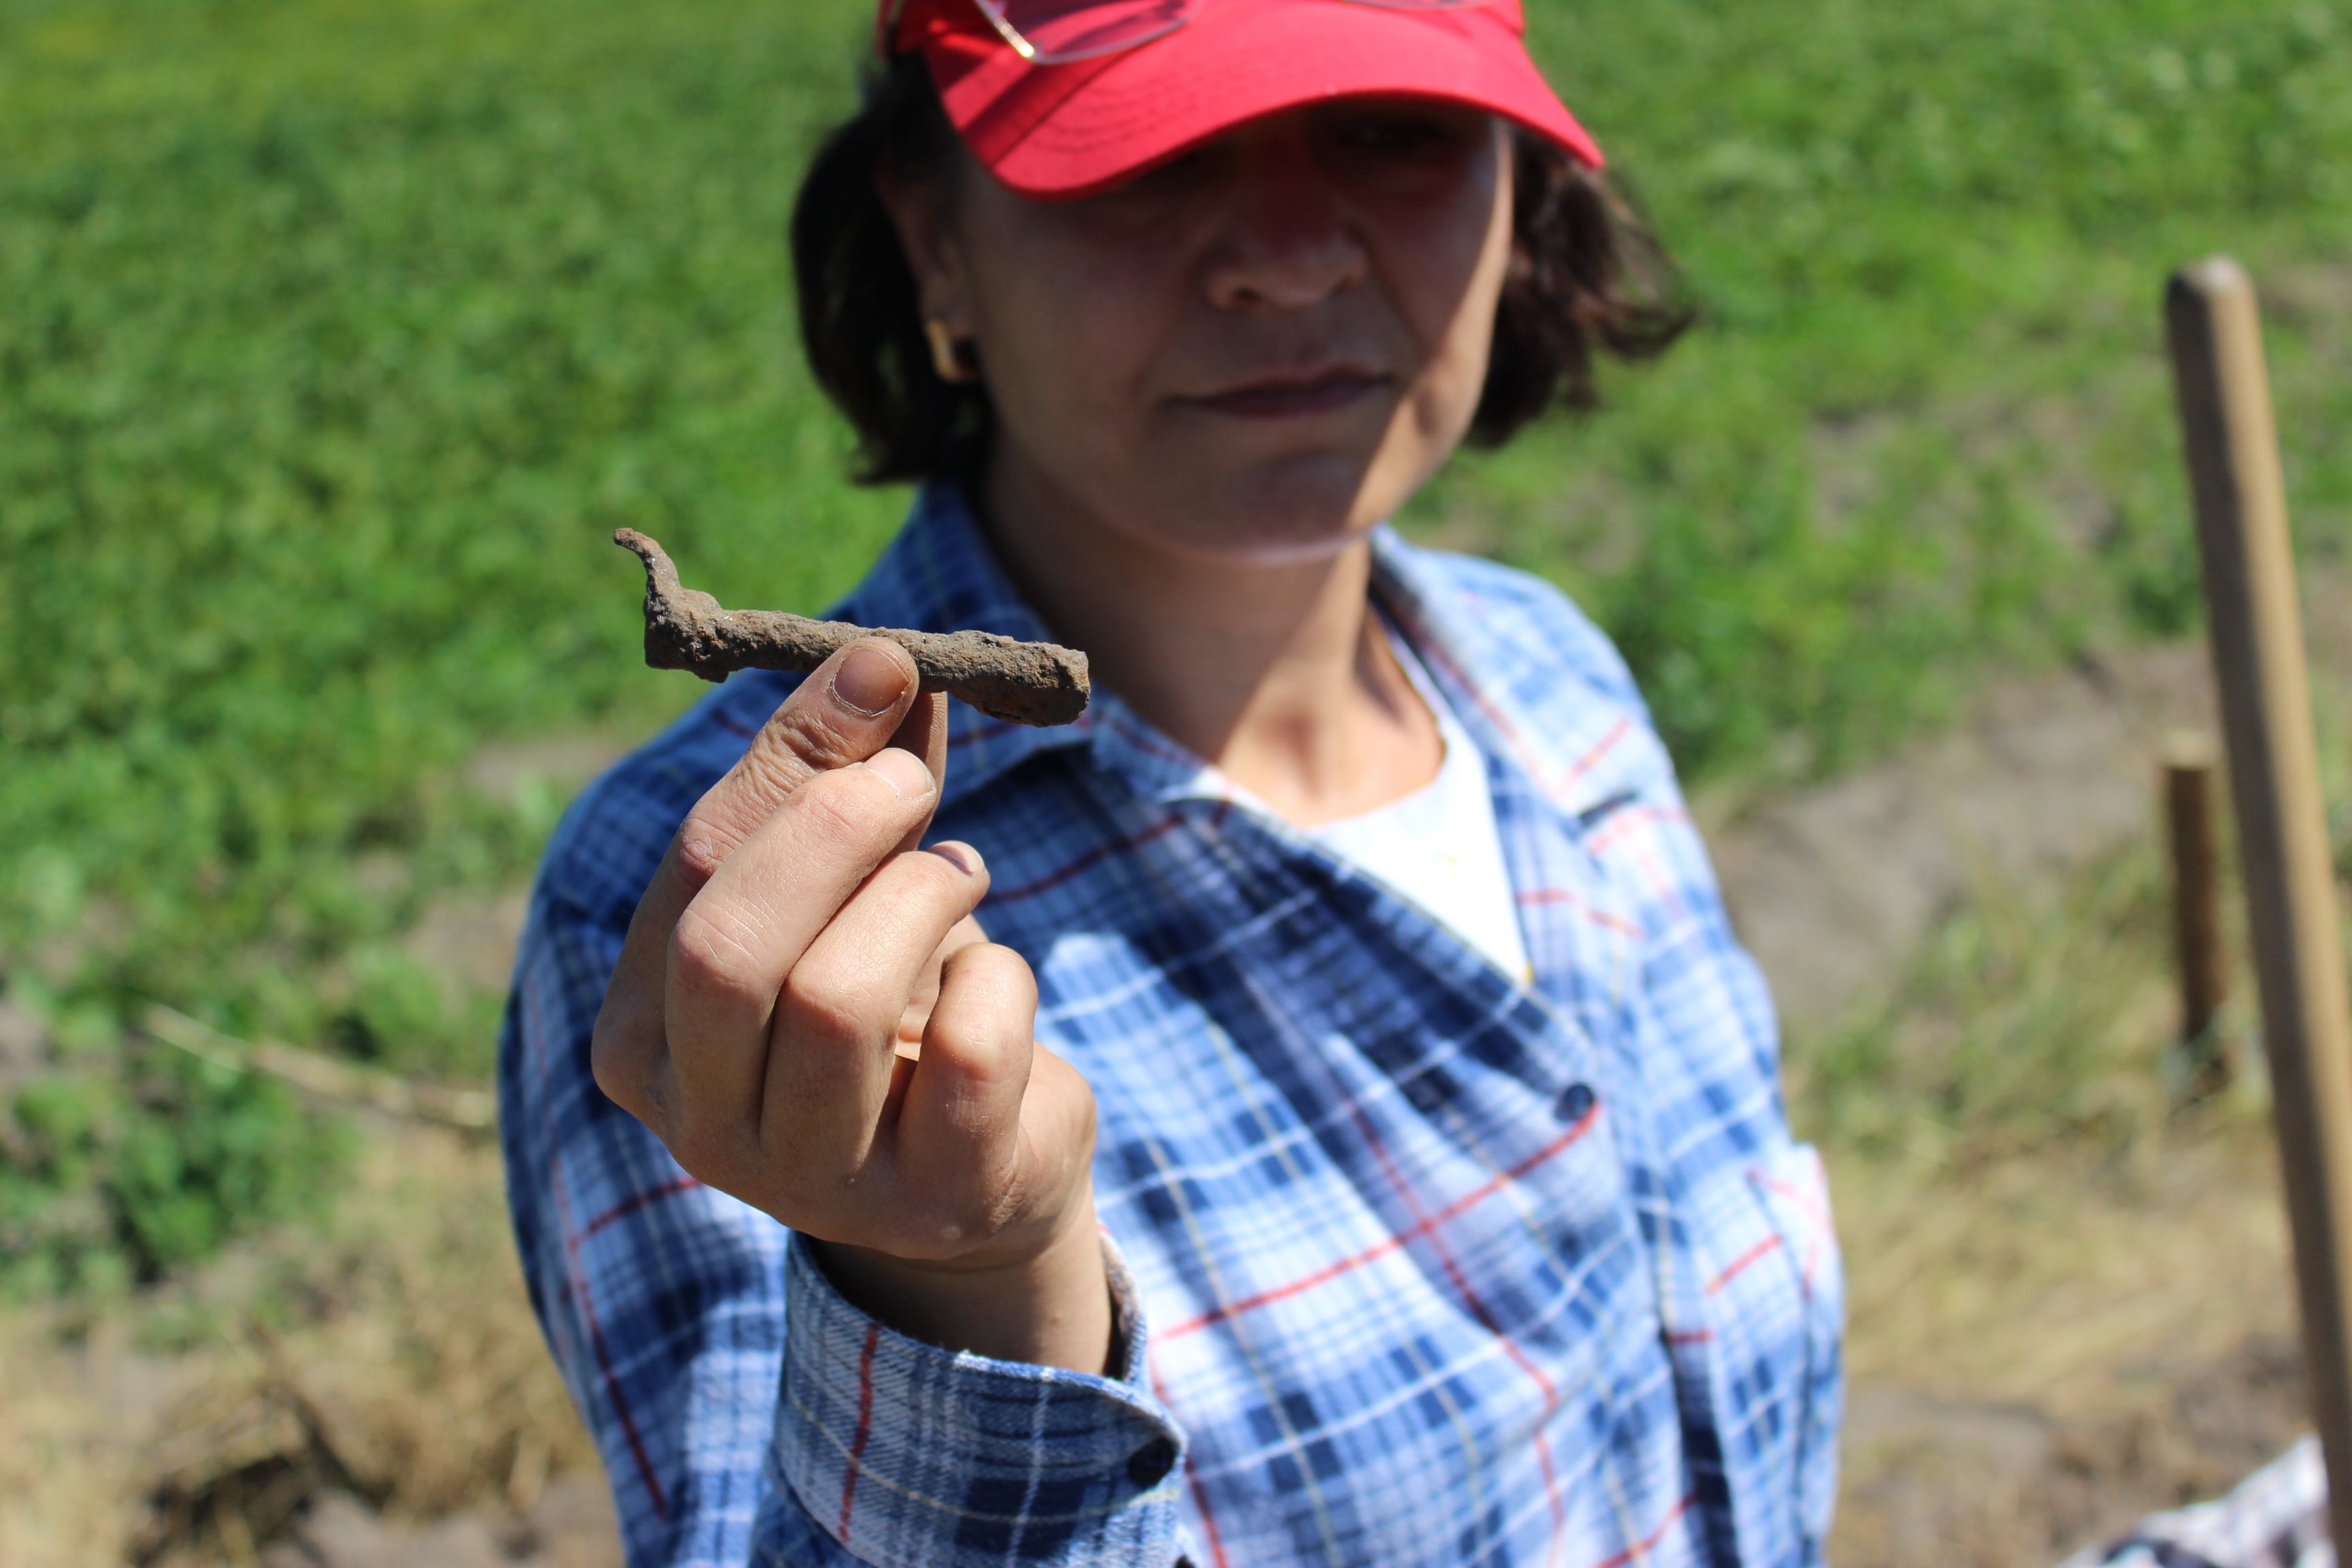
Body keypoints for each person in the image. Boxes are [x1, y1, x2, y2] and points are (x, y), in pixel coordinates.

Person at [500, 1, 1844, 1564]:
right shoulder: (740, 934)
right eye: (1147, 153)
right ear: (936, 242)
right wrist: (968, 1294)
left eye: (1390, 130)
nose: (1289, 255)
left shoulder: (1556, 688)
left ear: (1517, 191)